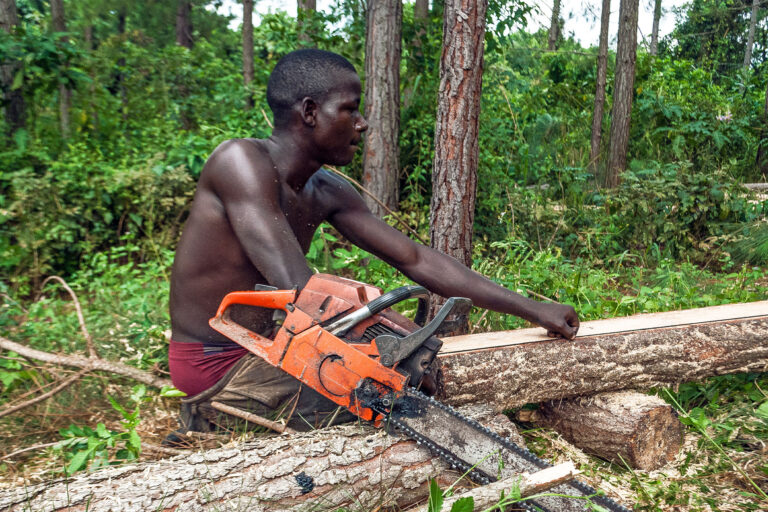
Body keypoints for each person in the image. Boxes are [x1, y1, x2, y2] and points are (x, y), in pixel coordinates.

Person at [167, 49, 579, 434]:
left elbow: (417, 259)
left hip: (271, 348)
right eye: (349, 109)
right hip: (216, 366)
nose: (361, 123)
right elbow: (301, 290)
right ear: (310, 112)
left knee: (399, 385)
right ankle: (205, 417)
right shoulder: (239, 162)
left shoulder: (326, 189)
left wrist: (534, 309)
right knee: (389, 399)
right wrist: (390, 333)